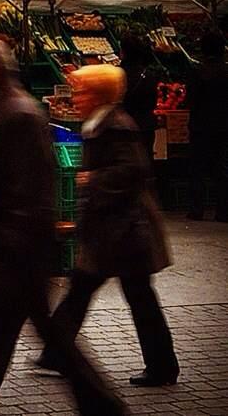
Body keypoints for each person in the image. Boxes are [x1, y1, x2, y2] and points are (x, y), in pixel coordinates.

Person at [0, 38, 124, 416]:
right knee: (17, 340)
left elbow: (30, 192)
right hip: (7, 254)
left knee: (0, 341)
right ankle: (105, 408)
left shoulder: (20, 114)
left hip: (16, 256)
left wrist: (6, 243)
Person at [38, 64, 177, 388]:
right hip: (114, 230)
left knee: (121, 295)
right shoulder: (101, 123)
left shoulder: (116, 126)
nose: (76, 97)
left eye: (82, 91)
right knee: (93, 291)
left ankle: (161, 367)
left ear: (98, 94)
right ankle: (57, 352)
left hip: (126, 232)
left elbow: (133, 170)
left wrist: (94, 178)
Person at [186, 29, 228, 222]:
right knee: (223, 168)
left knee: (198, 168)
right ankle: (223, 210)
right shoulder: (226, 71)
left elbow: (190, 100)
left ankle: (196, 209)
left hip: (200, 125)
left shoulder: (197, 72)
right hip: (223, 126)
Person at [118, 32, 159, 159]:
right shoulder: (149, 76)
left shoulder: (116, 76)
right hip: (145, 128)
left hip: (122, 130)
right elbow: (153, 103)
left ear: (122, 53)